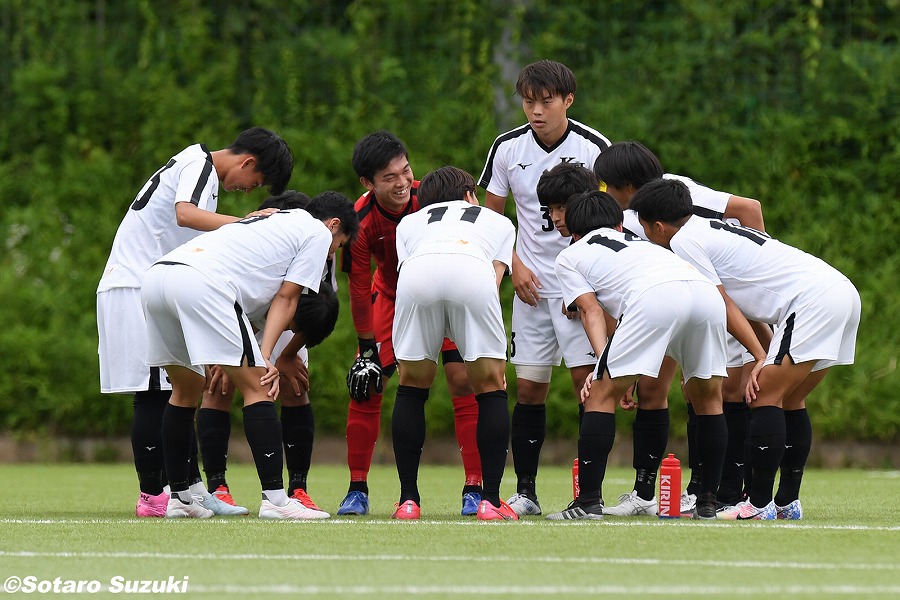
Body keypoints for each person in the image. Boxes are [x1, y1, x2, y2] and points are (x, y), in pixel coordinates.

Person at [630, 178, 861, 520]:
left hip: (812, 301)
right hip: (840, 291)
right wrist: (763, 354)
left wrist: (761, 358)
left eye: (647, 230)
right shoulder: (709, 228)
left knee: (763, 394)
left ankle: (758, 505)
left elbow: (723, 305)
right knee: (791, 398)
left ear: (659, 227)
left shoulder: (683, 242)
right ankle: (786, 503)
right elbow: (743, 305)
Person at [96, 127, 294, 517]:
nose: (248, 191)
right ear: (248, 162)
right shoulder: (199, 164)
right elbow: (184, 214)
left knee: (181, 387)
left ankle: (190, 490)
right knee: (155, 391)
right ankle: (154, 497)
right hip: (135, 283)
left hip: (152, 285)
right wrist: (246, 223)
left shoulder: (199, 169)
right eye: (255, 182)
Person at [141, 192, 358, 518]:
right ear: (334, 225)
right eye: (339, 245)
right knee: (259, 386)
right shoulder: (317, 232)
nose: (333, 252)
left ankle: (180, 499)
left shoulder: (272, 219)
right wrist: (265, 356)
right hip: (202, 281)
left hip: (158, 277)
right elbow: (287, 298)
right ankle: (276, 501)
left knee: (185, 390)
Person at [593, 140, 767, 516]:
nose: (604, 192)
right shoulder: (626, 219)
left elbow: (749, 209)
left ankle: (715, 491)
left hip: (715, 297)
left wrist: (752, 272)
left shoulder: (679, 190)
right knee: (652, 388)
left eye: (607, 185)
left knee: (718, 392)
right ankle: (644, 494)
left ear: (627, 186)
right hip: (668, 301)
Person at [479, 59, 611, 516]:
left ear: (568, 100)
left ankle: (589, 496)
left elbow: (609, 219)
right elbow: (492, 221)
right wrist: (515, 266)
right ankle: (526, 493)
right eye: (528, 101)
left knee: (589, 387)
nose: (536, 111)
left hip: (582, 292)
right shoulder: (506, 147)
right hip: (532, 291)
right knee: (529, 390)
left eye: (546, 101)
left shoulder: (594, 147)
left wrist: (587, 281)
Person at [546, 191, 729, 521]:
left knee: (600, 394)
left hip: (654, 296)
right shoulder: (641, 244)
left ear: (574, 232)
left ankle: (588, 503)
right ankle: (707, 503)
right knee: (709, 399)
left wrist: (601, 366)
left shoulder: (570, 255)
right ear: (619, 225)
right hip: (704, 293)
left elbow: (590, 310)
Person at [339, 131, 483, 516]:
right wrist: (366, 347)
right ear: (367, 183)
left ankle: (474, 487)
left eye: (406, 171)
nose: (403, 182)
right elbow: (358, 287)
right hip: (391, 297)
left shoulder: (432, 197)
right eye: (389, 177)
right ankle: (357, 489)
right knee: (366, 384)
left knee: (463, 379)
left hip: (444, 292)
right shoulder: (360, 220)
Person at [196, 191, 338, 515]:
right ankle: (218, 487)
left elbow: (318, 313)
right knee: (218, 385)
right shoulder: (250, 251)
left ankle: (298, 489)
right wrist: (225, 355)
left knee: (294, 385)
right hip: (238, 308)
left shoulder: (318, 253)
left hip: (282, 317)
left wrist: (286, 355)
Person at [390, 166, 518, 520]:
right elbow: (493, 282)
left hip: (417, 274)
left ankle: (408, 501)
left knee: (412, 385)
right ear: (468, 195)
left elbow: (407, 272)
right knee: (491, 387)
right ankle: (490, 502)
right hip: (472, 271)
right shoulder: (498, 222)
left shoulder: (409, 223)